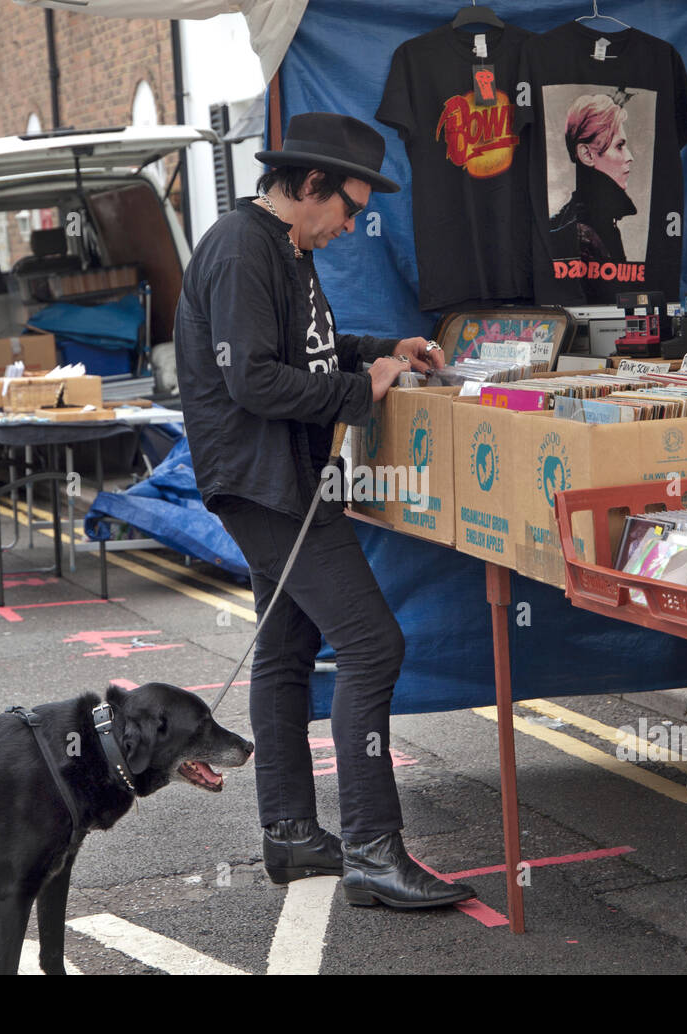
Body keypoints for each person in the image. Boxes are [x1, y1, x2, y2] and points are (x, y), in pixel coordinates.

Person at [173, 112, 476, 910]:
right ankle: (375, 848)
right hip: (264, 479)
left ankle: (291, 834)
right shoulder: (243, 248)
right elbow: (253, 382)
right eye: (348, 204)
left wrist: (385, 349)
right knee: (374, 645)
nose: (353, 222)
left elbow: (308, 351)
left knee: (286, 645)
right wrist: (358, 391)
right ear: (309, 185)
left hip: (276, 475)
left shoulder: (287, 246)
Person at [549, 93, 637, 264]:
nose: (630, 156)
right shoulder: (584, 233)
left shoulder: (592, 221)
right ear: (587, 154)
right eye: (619, 146)